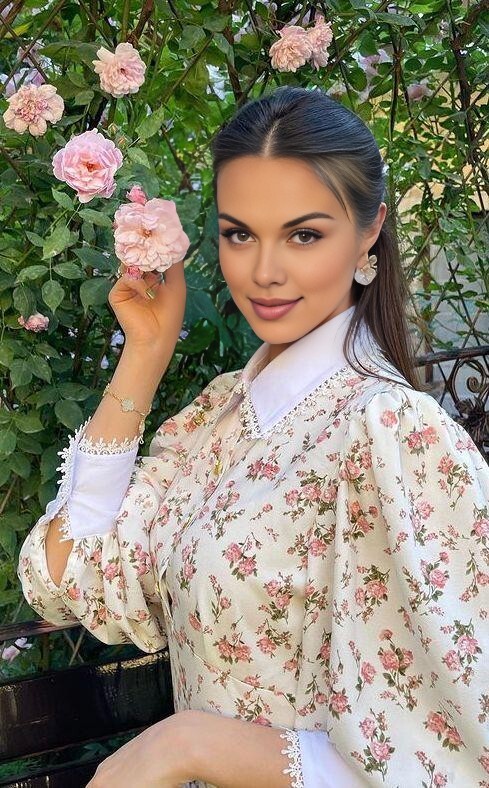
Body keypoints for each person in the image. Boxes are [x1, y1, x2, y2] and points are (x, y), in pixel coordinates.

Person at [17, 86, 489, 788]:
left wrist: (191, 744)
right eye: (240, 234)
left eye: (304, 235)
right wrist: (145, 354)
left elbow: (450, 760)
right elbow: (66, 582)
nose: (264, 272)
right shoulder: (220, 415)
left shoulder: (393, 432)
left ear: (369, 234)